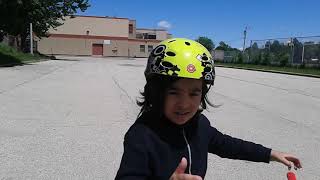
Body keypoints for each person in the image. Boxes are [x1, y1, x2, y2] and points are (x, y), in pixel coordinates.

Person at [115, 38, 302, 180]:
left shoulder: (198, 124)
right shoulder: (142, 135)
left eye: (194, 93)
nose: (184, 104)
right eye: (174, 92)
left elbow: (228, 145)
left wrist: (270, 153)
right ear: (156, 92)